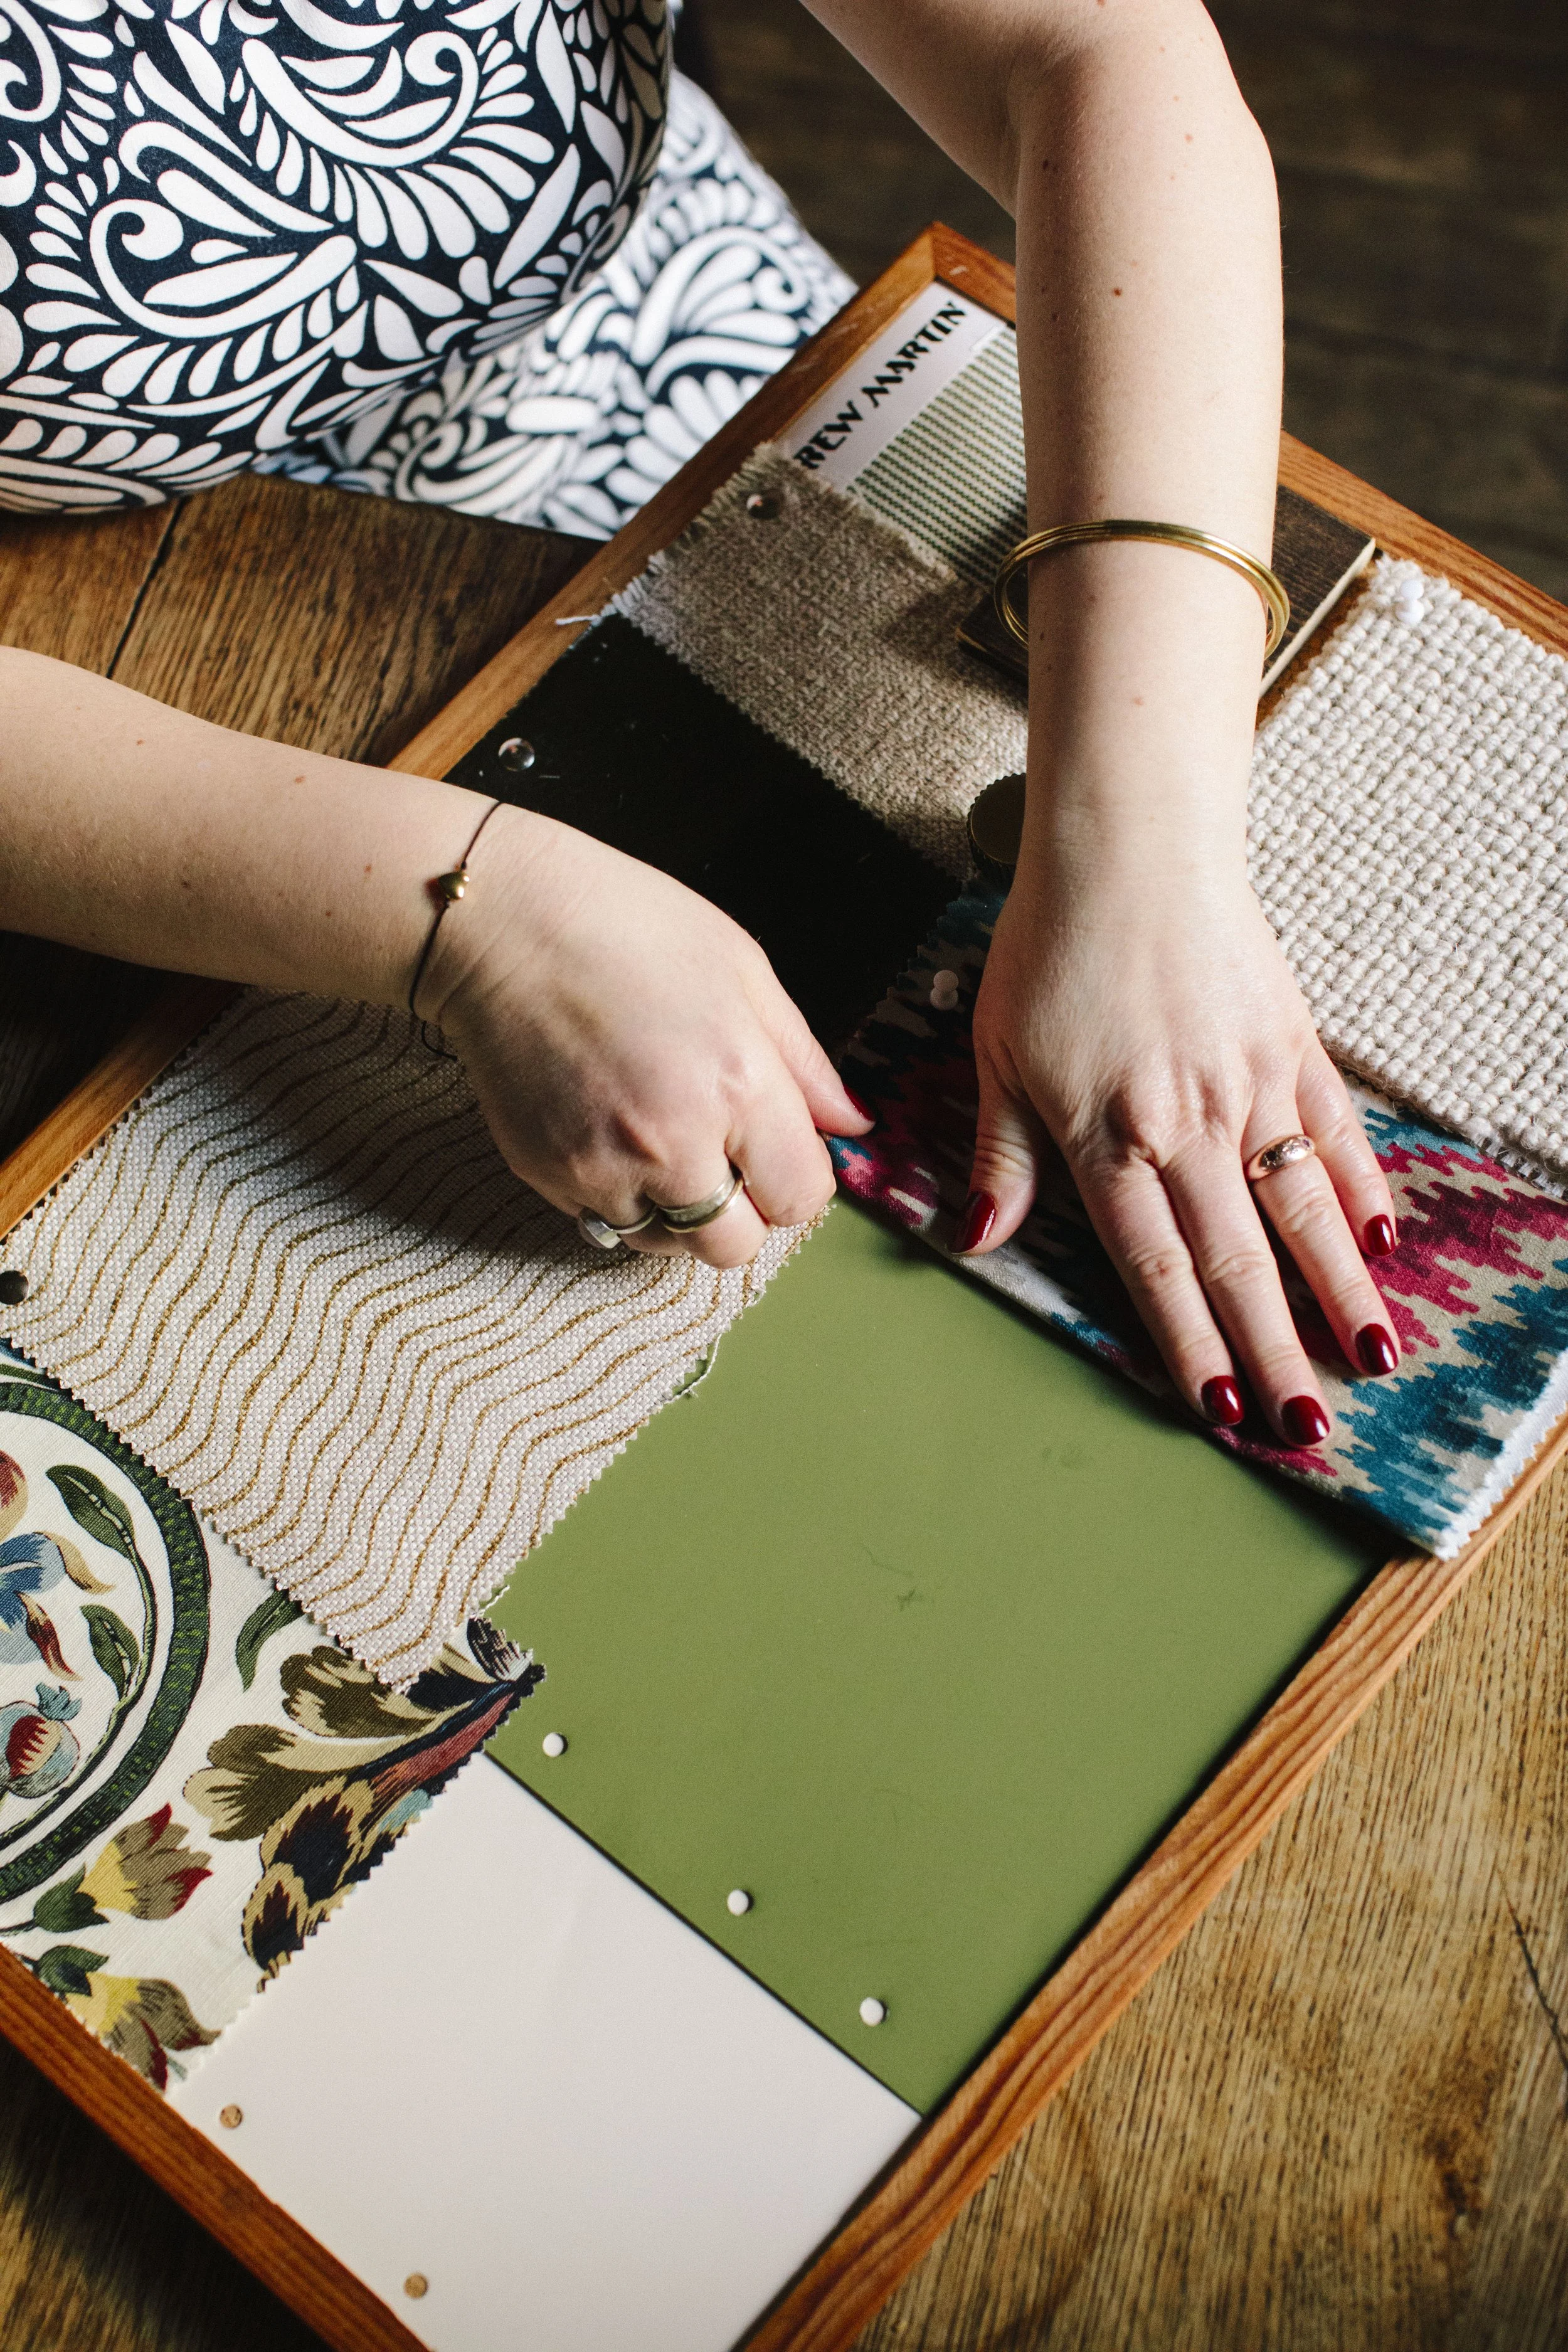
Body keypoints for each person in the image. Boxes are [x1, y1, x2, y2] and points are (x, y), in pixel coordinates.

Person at [0, 0, 1401, 1451]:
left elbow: (1093, 49)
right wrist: (480, 921)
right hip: (161, 672)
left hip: (751, 393)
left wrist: (1146, 853)